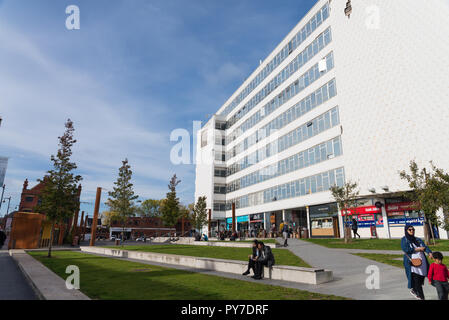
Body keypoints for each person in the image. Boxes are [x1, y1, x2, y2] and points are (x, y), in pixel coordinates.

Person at [401, 224, 433, 300]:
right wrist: (417, 249)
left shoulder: (418, 239)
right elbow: (406, 249)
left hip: (422, 263)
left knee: (422, 277)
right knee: (417, 282)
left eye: (413, 229)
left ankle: (414, 290)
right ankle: (422, 297)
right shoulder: (404, 240)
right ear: (406, 231)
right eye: (410, 230)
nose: (412, 231)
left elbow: (425, 247)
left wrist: (429, 253)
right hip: (412, 264)